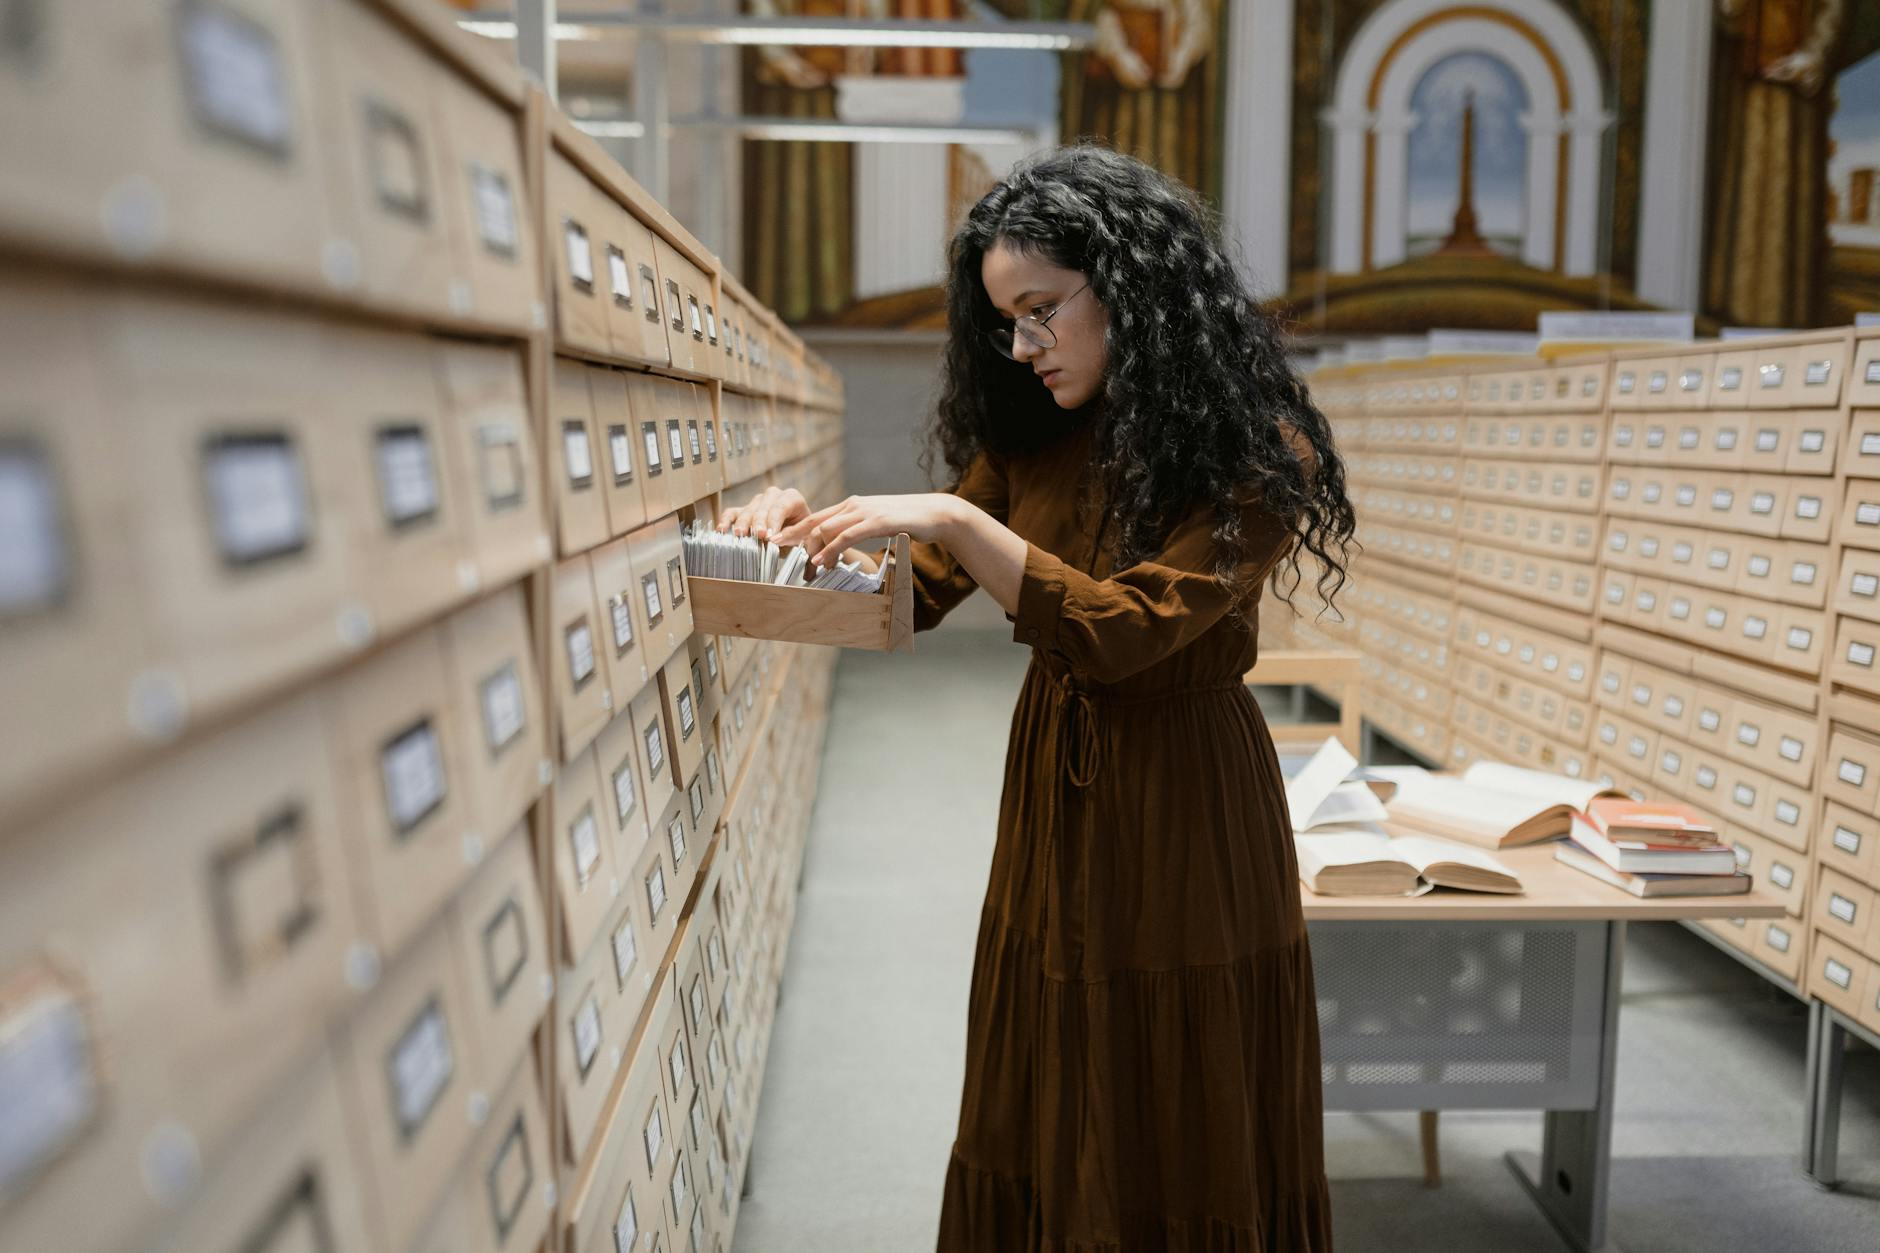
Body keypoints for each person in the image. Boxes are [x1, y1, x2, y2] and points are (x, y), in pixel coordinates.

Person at [719, 146, 1351, 1251]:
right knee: (1051, 1051)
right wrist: (770, 544)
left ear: (1132, 285)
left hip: (1187, 801)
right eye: (1004, 318)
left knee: (1171, 1075)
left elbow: (1126, 636)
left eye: (1040, 310)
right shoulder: (1030, 438)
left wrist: (960, 521)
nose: (1020, 345)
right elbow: (900, 606)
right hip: (1054, 789)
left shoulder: (1259, 456)